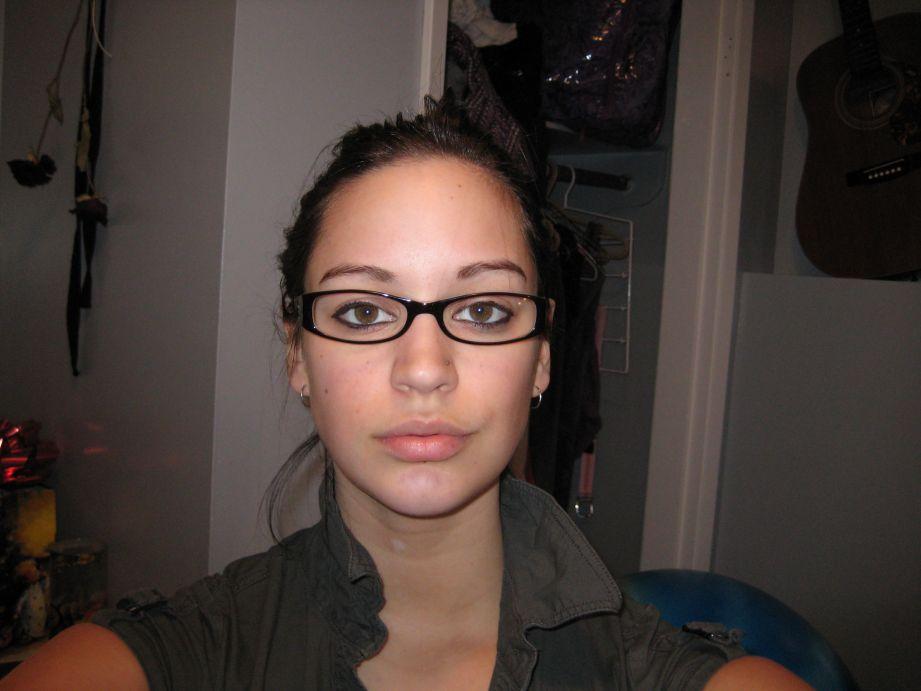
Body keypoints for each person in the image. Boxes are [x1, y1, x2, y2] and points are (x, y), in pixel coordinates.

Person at [1, 102, 809, 690]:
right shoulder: (176, 656)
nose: (424, 368)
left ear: (539, 361)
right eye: (362, 311)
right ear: (297, 354)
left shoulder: (666, 673)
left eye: (484, 309)